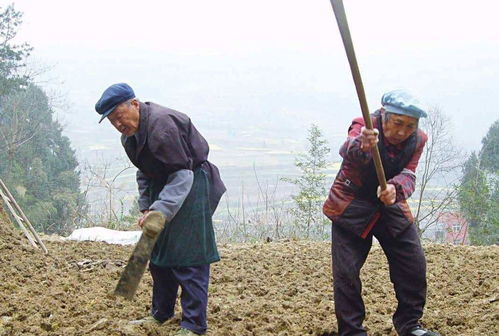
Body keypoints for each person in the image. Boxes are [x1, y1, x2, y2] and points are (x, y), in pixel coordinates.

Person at [95, 83, 226, 336]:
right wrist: (147, 208)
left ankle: (193, 324)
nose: (119, 125)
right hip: (165, 184)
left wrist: (162, 210)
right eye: (112, 122)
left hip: (192, 183)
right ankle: (161, 313)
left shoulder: (162, 126)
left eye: (120, 117)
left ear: (134, 104)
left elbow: (182, 174)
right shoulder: (129, 138)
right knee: (158, 254)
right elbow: (144, 173)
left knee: (189, 255)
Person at [323, 90, 440, 336]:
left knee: (413, 265)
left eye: (409, 126)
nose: (402, 132)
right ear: (385, 117)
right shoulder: (364, 125)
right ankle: (352, 331)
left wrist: (395, 188)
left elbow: (410, 173)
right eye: (398, 123)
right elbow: (348, 151)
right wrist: (364, 144)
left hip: (390, 204)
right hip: (351, 204)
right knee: (346, 273)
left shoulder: (418, 140)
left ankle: (410, 325)